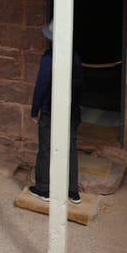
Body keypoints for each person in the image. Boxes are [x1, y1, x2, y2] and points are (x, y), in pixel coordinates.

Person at [29, 19, 83, 204]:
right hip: (71, 110)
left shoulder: (49, 57)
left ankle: (43, 188)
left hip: (50, 110)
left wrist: (34, 109)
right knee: (70, 149)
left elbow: (42, 85)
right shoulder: (74, 56)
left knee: (45, 148)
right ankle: (72, 190)